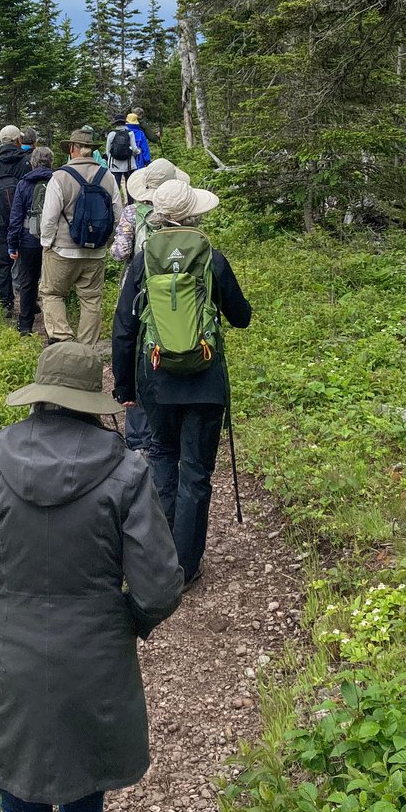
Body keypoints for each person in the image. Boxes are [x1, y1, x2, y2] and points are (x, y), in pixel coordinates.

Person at [0, 343, 183, 812]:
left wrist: (1, 610)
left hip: (14, 665)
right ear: (90, 402)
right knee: (83, 800)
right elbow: (161, 585)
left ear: (40, 398)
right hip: (95, 664)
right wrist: (125, 621)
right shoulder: (125, 470)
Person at [112, 178, 252, 586]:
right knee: (195, 472)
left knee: (161, 457)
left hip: (156, 378)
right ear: (193, 213)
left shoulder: (142, 260)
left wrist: (125, 388)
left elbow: (124, 327)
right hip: (206, 381)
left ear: (156, 213)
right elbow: (241, 316)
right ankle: (186, 568)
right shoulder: (212, 258)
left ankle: (155, 561)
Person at [109, 157, 188, 456]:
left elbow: (120, 253)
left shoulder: (132, 212)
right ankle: (174, 422)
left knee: (137, 348)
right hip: (177, 293)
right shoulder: (183, 213)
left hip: (138, 287)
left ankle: (140, 437)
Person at [39, 130, 122, 346]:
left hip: (62, 250)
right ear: (90, 150)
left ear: (73, 148)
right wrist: (106, 241)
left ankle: (62, 340)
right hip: (96, 252)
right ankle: (87, 349)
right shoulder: (108, 176)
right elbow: (118, 216)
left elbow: (49, 218)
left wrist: (46, 244)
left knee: (52, 294)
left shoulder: (60, 176)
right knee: (91, 300)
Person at [0, 125, 31, 316]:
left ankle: (5, 302)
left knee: (2, 262)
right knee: (28, 261)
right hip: (26, 221)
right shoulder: (27, 162)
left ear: (2, 142)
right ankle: (29, 301)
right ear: (18, 140)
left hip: (3, 221)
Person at [6, 144, 54, 336]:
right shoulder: (58, 181)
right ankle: (54, 328)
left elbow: (16, 217)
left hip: (28, 240)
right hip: (53, 240)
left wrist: (12, 244)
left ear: (32, 163)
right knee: (52, 285)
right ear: (51, 163)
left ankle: (25, 325)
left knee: (28, 281)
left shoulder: (24, 184)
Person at [105, 114, 141, 199]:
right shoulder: (130, 133)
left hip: (114, 165)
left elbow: (107, 150)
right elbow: (134, 148)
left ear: (116, 123)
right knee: (129, 186)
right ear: (125, 123)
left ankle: (116, 206)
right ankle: (130, 206)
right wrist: (138, 152)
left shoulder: (111, 134)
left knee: (116, 187)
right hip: (129, 164)